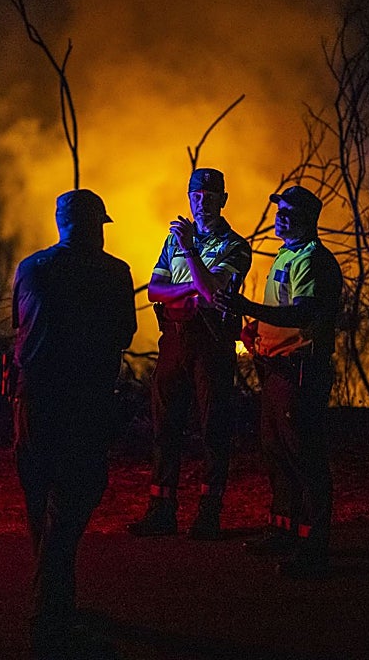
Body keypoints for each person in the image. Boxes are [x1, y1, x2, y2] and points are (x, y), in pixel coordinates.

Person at [12, 190, 137, 659]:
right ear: (95, 226)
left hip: (31, 402)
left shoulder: (32, 267)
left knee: (40, 500)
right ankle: (51, 623)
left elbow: (20, 327)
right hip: (82, 404)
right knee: (72, 504)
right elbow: (123, 333)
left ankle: (55, 601)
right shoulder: (112, 272)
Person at [215, 186, 342, 578]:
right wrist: (256, 330)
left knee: (304, 456)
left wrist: (247, 308)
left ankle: (313, 545)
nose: (281, 217)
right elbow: (283, 312)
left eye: (290, 212)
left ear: (309, 218)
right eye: (280, 210)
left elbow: (302, 315)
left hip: (300, 372)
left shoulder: (313, 260)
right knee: (276, 452)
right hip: (277, 371)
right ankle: (285, 529)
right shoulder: (287, 255)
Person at [128, 168, 252, 540]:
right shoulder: (174, 241)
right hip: (174, 340)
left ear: (223, 200)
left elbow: (213, 293)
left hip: (211, 343)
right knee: (165, 425)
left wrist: (191, 255)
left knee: (213, 427)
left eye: (211, 197)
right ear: (189, 197)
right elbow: (155, 290)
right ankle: (162, 510)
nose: (202, 204)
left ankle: (208, 514)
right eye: (196, 196)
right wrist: (190, 290)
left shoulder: (235, 245)